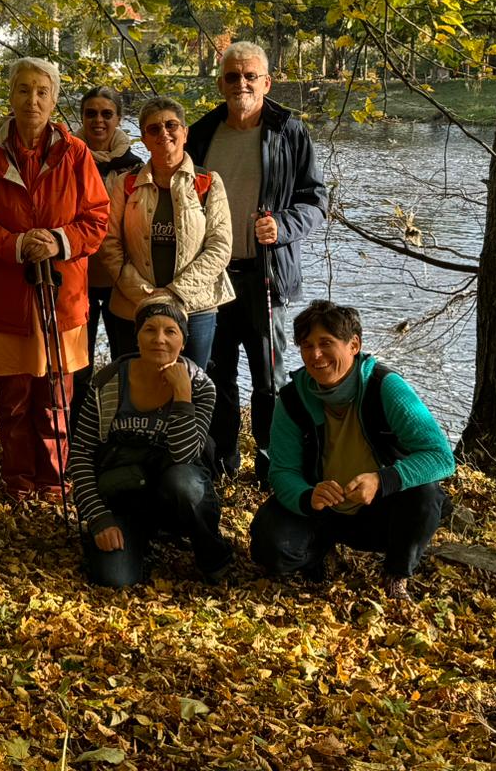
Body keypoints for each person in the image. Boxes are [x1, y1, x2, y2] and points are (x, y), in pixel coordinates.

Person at [0, 57, 110, 501]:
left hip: (61, 297)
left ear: (54, 99)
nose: (32, 100)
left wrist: (58, 241)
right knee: (13, 400)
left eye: (42, 92)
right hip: (4, 297)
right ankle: (18, 483)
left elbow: (97, 219)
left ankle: (54, 482)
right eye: (23, 90)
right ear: (10, 96)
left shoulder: (75, 153)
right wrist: (17, 244)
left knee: (56, 398)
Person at [185, 40, 327, 486]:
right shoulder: (201, 133)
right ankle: (223, 462)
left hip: (266, 275)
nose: (241, 84)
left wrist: (282, 226)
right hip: (211, 277)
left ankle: (272, 468)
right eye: (232, 76)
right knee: (215, 375)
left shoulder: (289, 132)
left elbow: (316, 200)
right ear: (220, 83)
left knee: (270, 380)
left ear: (267, 81)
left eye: (250, 76)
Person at [250, 300, 454, 601]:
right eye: (306, 346)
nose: (315, 355)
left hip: (379, 508)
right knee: (269, 546)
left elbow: (440, 457)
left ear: (354, 345)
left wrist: (382, 480)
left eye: (325, 343)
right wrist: (307, 496)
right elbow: (282, 471)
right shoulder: (292, 399)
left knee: (425, 494)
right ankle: (319, 553)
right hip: (323, 510)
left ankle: (396, 574)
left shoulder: (385, 387)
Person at [69, 301, 232, 587]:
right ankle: (137, 538)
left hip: (175, 493)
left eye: (171, 331)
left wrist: (182, 395)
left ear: (183, 341)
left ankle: (211, 554)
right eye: (149, 330)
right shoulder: (107, 383)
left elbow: (185, 454)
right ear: (137, 337)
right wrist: (98, 518)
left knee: (185, 483)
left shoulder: (201, 386)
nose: (159, 339)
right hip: (123, 495)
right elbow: (81, 454)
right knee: (115, 579)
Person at [98, 96, 233, 369]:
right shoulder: (126, 183)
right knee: (133, 384)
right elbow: (110, 243)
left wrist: (175, 294)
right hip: (133, 306)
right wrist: (144, 294)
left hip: (195, 307)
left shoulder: (208, 183)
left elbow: (220, 246)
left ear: (185, 132)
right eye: (154, 129)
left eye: (171, 125)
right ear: (144, 139)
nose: (164, 133)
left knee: (189, 384)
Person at [77, 86, 143, 358]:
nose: (98, 120)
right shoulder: (66, 159)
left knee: (125, 359)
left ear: (119, 118)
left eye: (107, 114)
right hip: (78, 277)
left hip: (121, 277)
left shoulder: (135, 168)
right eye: (91, 114)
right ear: (82, 117)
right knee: (77, 363)